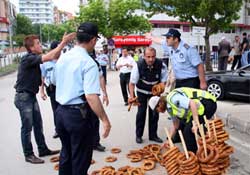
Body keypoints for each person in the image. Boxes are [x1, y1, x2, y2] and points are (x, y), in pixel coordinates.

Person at [53, 22, 111, 175]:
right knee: (80, 159)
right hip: (77, 116)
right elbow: (91, 96)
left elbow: (53, 81)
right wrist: (105, 120)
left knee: (66, 154)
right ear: (93, 40)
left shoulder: (63, 58)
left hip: (60, 113)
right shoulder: (88, 63)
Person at [14, 33, 75, 164]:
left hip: (29, 96)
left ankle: (42, 149)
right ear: (31, 47)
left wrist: (61, 45)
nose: (40, 45)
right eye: (38, 43)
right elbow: (51, 55)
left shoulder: (35, 57)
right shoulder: (28, 59)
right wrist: (63, 43)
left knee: (38, 124)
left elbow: (54, 55)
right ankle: (28, 154)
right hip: (23, 97)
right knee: (27, 127)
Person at [148, 87, 217, 153]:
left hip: (207, 102)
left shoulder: (172, 99)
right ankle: (212, 144)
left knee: (188, 132)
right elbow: (176, 125)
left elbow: (192, 103)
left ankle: (194, 157)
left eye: (157, 110)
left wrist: (196, 123)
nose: (158, 112)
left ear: (160, 104)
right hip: (199, 108)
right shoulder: (169, 109)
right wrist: (169, 139)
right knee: (189, 127)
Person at [129, 47, 168, 144]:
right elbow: (132, 83)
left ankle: (153, 135)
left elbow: (164, 81)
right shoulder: (138, 65)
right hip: (141, 91)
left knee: (154, 113)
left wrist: (161, 88)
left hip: (155, 93)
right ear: (144, 56)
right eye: (148, 57)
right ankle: (139, 135)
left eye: (153, 57)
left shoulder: (161, 64)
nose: (151, 59)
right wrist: (131, 96)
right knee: (141, 113)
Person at [89, 49, 109, 152]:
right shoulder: (76, 62)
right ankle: (85, 143)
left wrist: (105, 93)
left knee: (95, 119)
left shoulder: (95, 64)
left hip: (93, 95)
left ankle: (95, 143)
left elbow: (101, 77)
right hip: (80, 97)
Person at [40, 41, 60, 139]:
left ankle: (65, 128)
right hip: (52, 89)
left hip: (63, 88)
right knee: (55, 110)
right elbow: (42, 77)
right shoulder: (45, 63)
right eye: (57, 49)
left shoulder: (64, 60)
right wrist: (42, 91)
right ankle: (58, 129)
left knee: (65, 109)